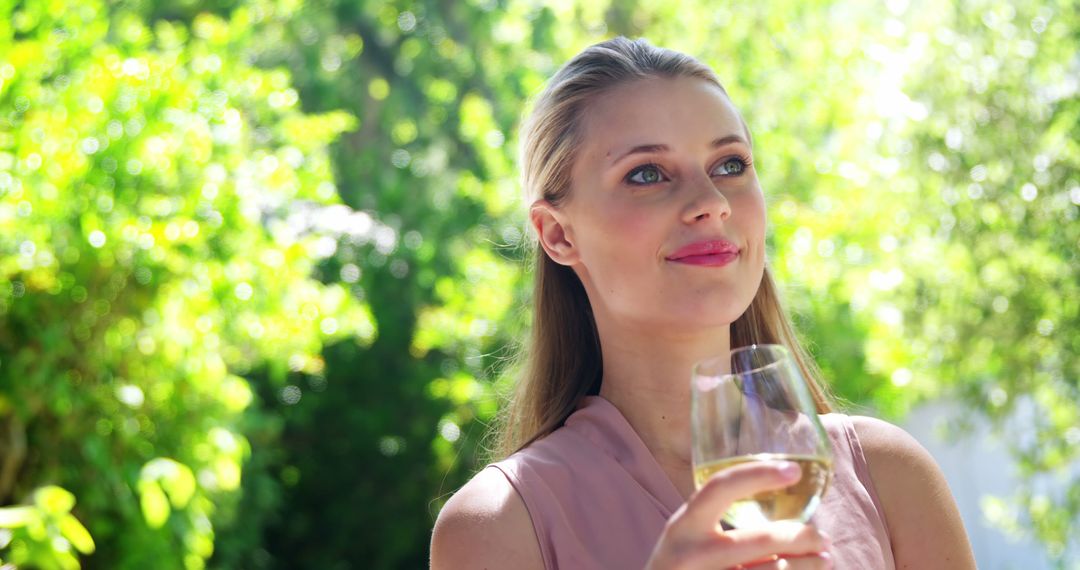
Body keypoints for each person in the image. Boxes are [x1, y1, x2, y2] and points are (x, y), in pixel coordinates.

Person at [430, 37, 976, 569]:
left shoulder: (887, 476)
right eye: (647, 174)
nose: (711, 203)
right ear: (557, 235)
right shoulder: (496, 528)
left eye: (730, 165)